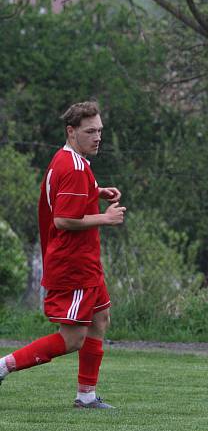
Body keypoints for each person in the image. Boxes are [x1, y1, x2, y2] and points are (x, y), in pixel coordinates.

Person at [0, 101, 126, 408]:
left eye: (99, 131)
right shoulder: (72, 167)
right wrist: (105, 218)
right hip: (72, 265)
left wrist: (96, 192)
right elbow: (63, 220)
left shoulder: (69, 160)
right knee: (71, 339)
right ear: (71, 131)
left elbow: (63, 197)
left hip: (86, 263)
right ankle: (2, 366)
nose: (97, 137)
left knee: (100, 319)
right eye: (90, 131)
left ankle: (86, 396)